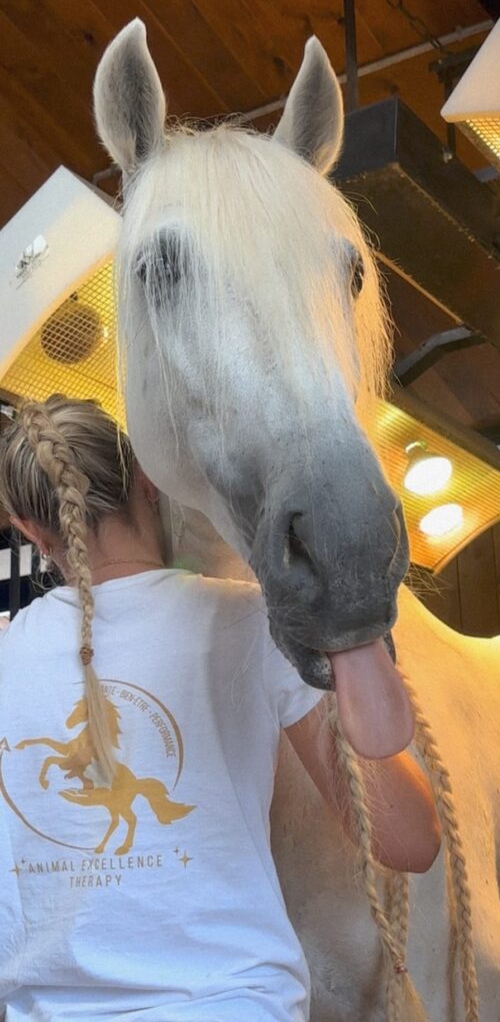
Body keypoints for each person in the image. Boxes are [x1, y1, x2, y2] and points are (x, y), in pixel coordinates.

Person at [0, 396, 440, 1022]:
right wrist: (349, 637)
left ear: (28, 529)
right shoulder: (251, 622)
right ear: (148, 481)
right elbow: (411, 840)